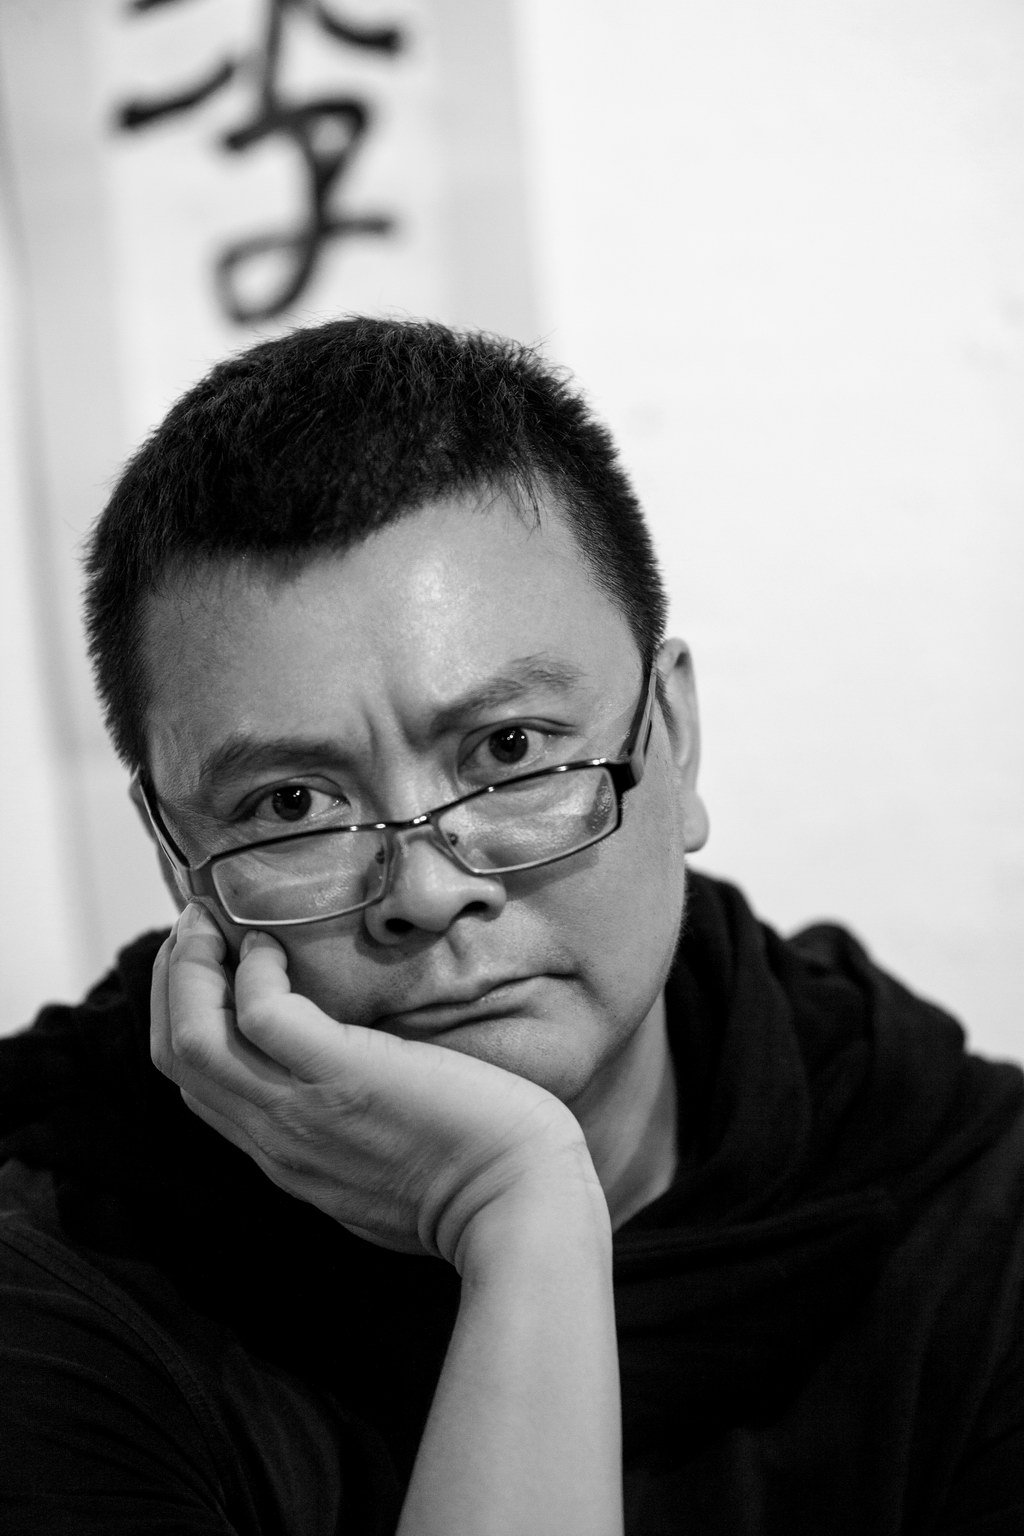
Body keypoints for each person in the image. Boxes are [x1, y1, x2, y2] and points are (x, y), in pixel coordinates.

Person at [0, 317, 1021, 1536]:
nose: (426, 891)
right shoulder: (54, 1277)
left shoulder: (977, 1215)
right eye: (292, 805)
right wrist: (519, 1208)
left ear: (671, 736)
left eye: (508, 748)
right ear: (179, 860)